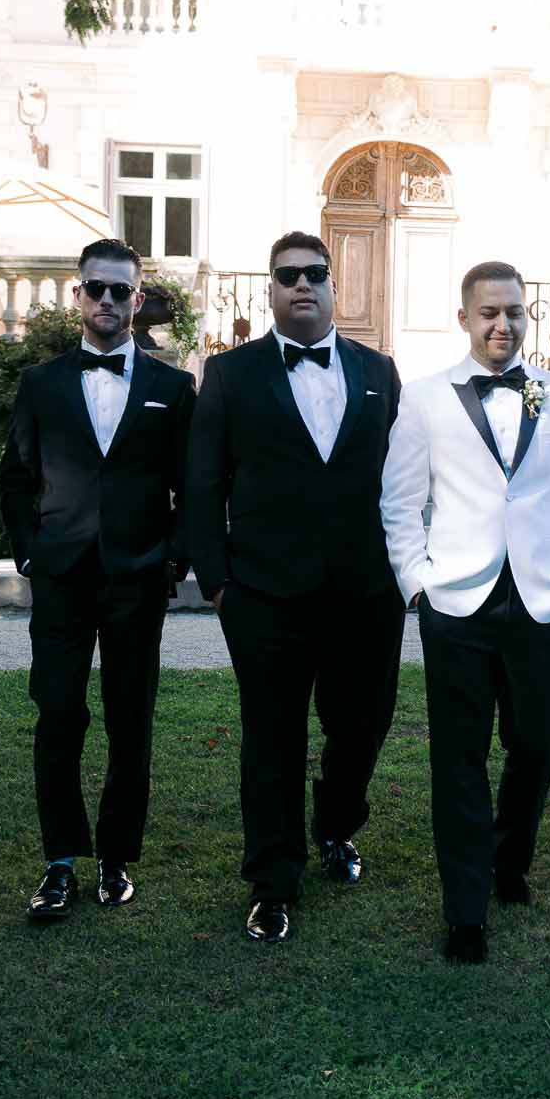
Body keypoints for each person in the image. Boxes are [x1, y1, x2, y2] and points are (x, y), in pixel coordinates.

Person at [379, 262, 550, 963]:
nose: (502, 325)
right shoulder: (424, 398)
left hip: (544, 600)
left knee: (540, 741)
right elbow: (399, 502)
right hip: (456, 602)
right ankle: (466, 910)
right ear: (464, 318)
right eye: (488, 313)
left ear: (527, 316)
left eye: (513, 312)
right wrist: (417, 583)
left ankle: (510, 856)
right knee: (459, 757)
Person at [188, 231, 405, 944]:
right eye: (288, 276)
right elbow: (203, 485)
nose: (302, 285)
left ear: (333, 284)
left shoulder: (380, 372)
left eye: (315, 273)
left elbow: (405, 479)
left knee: (363, 727)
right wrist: (218, 585)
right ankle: (273, 882)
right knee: (272, 739)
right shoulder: (230, 374)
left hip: (366, 593)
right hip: (264, 595)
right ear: (271, 290)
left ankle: (337, 824)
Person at [0, 237, 196, 920]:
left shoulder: (173, 388)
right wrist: (29, 554)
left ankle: (115, 855)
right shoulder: (41, 383)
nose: (107, 300)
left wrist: (173, 559)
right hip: (61, 577)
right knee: (58, 713)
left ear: (137, 299)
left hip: (138, 579)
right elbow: (15, 479)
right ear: (78, 294)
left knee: (129, 719)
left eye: (120, 290)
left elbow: (191, 486)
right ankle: (59, 859)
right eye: (96, 288)